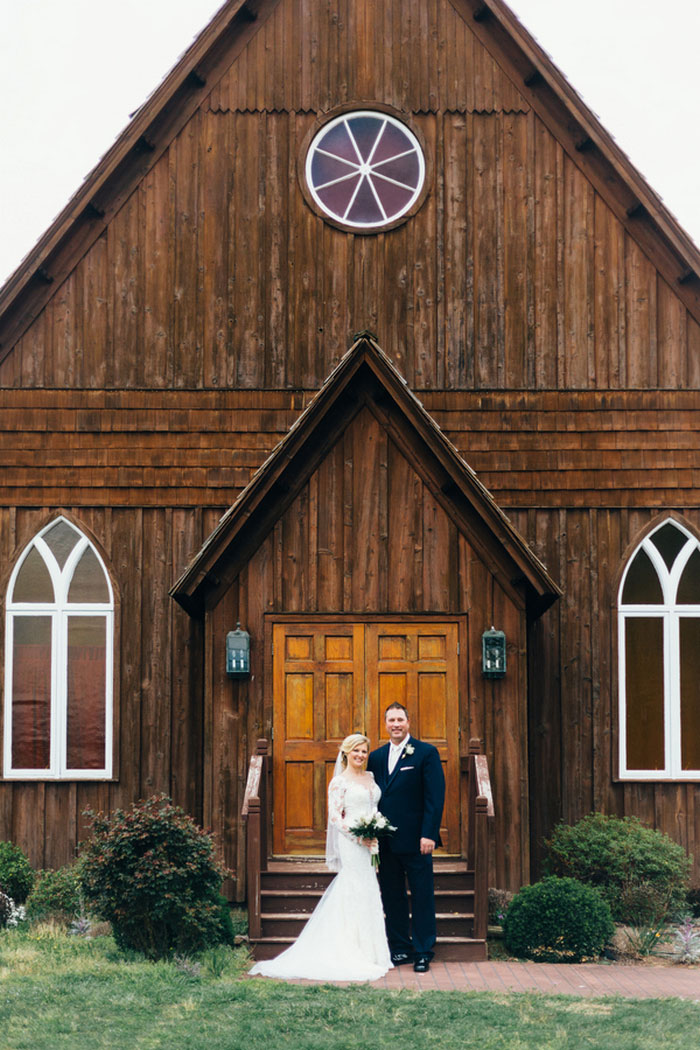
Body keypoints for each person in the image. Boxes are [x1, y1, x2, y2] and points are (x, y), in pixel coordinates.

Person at [249, 733, 392, 982]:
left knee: (368, 888)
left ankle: (372, 952)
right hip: (353, 842)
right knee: (353, 887)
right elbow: (335, 817)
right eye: (355, 751)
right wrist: (360, 837)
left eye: (363, 751)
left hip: (371, 842)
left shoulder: (370, 777)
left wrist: (376, 830)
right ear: (346, 753)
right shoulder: (339, 782)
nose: (360, 755)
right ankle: (349, 949)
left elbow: (374, 808)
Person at [367, 702, 446, 973]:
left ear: (408, 722)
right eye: (391, 720)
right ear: (385, 724)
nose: (396, 724)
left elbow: (434, 797)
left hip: (416, 841)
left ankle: (424, 950)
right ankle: (400, 948)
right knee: (392, 895)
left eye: (400, 719)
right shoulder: (376, 757)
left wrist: (429, 834)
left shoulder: (426, 753)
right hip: (386, 843)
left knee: (422, 895)